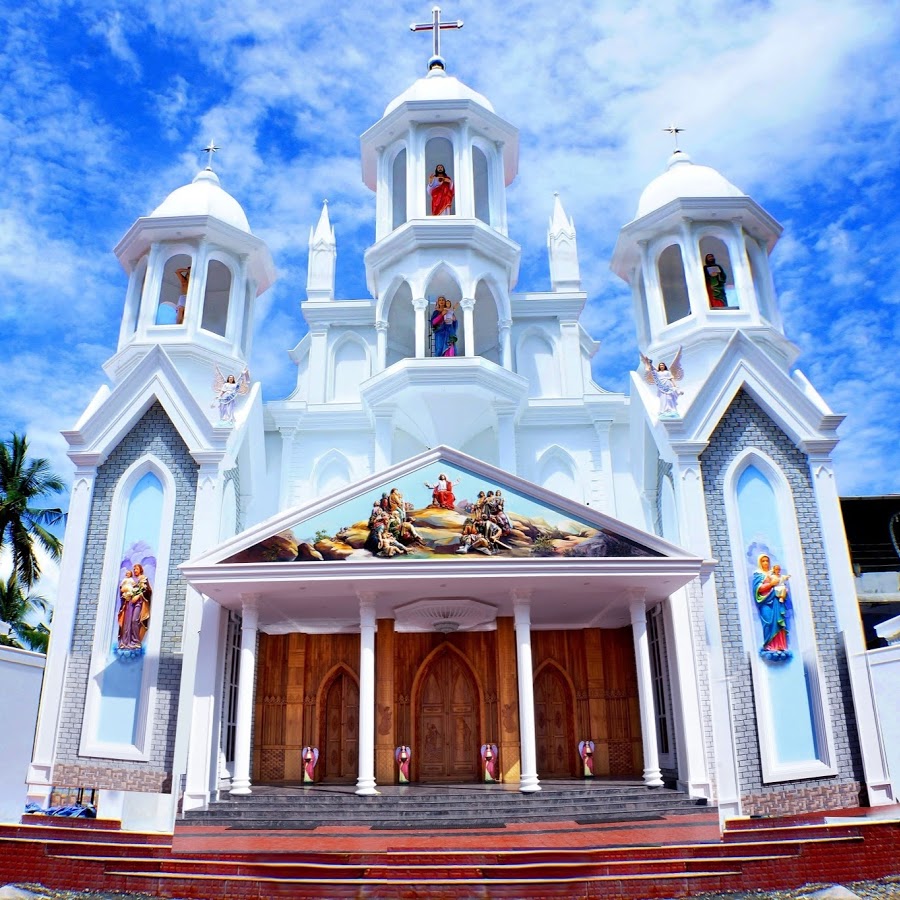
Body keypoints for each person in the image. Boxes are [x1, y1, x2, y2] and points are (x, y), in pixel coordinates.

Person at [752, 554, 791, 655]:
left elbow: (781, 583)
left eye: (767, 561)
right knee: (768, 622)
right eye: (763, 561)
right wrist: (771, 584)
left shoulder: (773, 573)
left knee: (779, 622)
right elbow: (758, 589)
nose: (766, 563)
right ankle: (768, 645)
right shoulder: (758, 574)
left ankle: (780, 645)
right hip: (765, 602)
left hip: (776, 600)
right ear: (760, 562)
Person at [117, 563, 152, 650]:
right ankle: (126, 641)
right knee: (127, 622)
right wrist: (126, 594)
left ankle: (136, 641)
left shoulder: (143, 579)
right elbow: (125, 588)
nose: (135, 571)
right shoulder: (132, 581)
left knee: (134, 620)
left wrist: (138, 595)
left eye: (136, 569)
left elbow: (148, 590)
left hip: (139, 603)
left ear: (140, 569)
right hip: (130, 604)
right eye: (134, 569)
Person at [641, 349, 684, 417]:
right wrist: (647, 361)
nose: (661, 366)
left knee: (669, 398)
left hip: (669, 385)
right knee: (663, 399)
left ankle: (672, 410)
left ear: (664, 366)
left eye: (662, 365)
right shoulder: (657, 373)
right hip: (661, 387)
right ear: (659, 367)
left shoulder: (668, 372)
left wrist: (676, 387)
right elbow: (651, 369)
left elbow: (672, 379)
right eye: (660, 366)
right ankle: (663, 411)